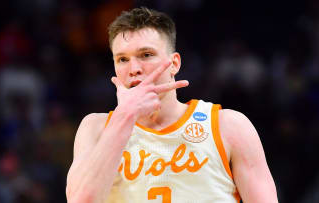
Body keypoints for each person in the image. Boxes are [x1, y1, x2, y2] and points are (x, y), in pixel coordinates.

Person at [66, 7, 278, 203]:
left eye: (146, 55)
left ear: (174, 63)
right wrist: (125, 116)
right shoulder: (95, 128)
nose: (134, 69)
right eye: (122, 59)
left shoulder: (229, 125)